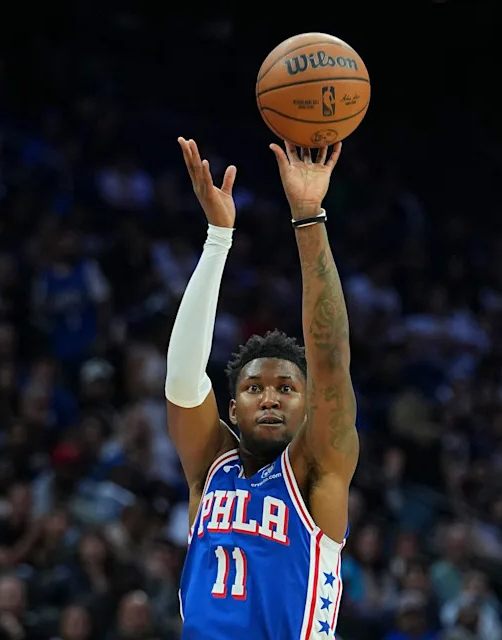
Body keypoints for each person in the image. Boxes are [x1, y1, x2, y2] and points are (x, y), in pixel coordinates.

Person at [165, 137, 359, 639]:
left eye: (286, 389)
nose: (270, 397)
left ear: (308, 405)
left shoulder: (315, 470)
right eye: (254, 388)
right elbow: (184, 381)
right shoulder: (213, 466)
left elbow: (332, 363)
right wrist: (217, 239)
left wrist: (308, 218)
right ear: (232, 407)